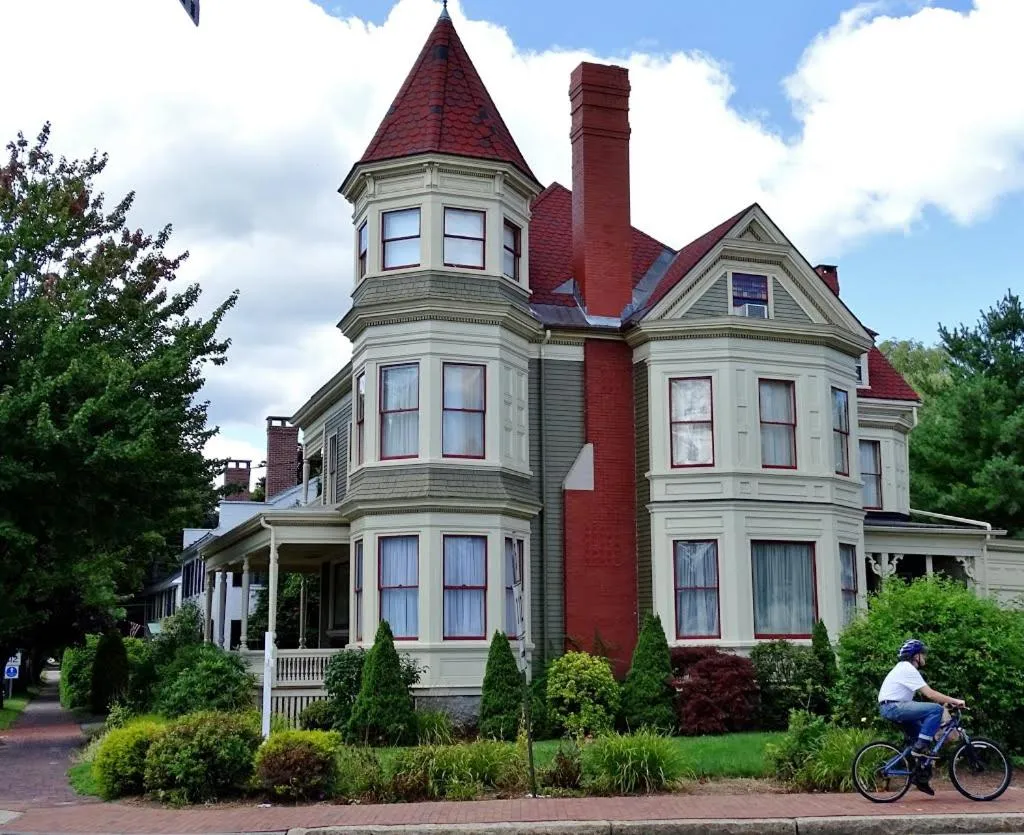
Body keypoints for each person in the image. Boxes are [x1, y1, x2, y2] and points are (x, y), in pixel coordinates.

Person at [877, 638, 965, 794]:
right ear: (915, 656)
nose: (924, 657)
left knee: (920, 742)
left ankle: (914, 776)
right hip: (894, 706)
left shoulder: (903, 668)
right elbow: (930, 694)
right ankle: (919, 748)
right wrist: (955, 701)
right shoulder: (907, 668)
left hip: (892, 707)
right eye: (922, 654)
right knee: (935, 710)